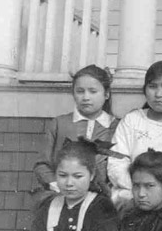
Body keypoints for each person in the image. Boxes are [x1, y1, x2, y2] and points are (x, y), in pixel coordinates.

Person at [108, 60, 162, 208]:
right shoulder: (132, 120)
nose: (158, 94)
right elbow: (116, 162)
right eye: (152, 87)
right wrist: (141, 187)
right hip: (134, 193)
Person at [34, 64, 120, 197]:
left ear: (106, 94)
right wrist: (60, 186)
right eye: (80, 91)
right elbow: (42, 165)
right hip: (62, 194)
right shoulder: (59, 124)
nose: (86, 97)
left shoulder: (117, 126)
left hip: (103, 198)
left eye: (93, 91)